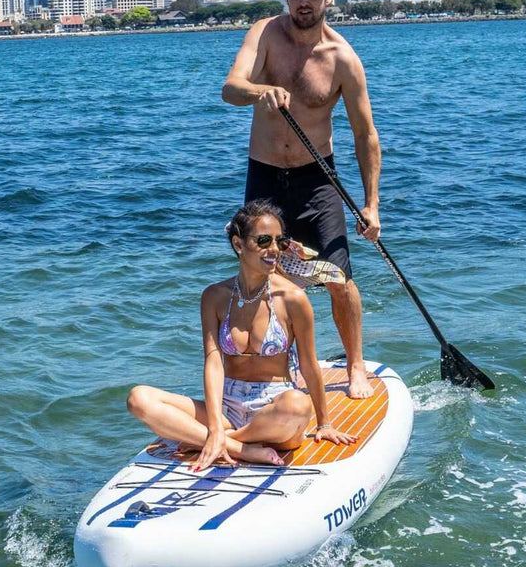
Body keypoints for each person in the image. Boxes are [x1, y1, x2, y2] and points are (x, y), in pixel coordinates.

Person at [222, 0, 381, 400]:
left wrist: (371, 205)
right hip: (265, 177)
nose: (304, 1)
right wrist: (260, 90)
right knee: (265, 278)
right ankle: (279, 369)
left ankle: (355, 367)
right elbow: (231, 88)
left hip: (318, 179)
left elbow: (365, 135)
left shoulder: (343, 59)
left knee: (336, 278)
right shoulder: (265, 34)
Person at [127, 200, 357, 470]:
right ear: (238, 244)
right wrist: (214, 423)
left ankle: (213, 440)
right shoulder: (214, 296)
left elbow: (308, 363)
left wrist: (324, 423)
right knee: (139, 398)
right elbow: (213, 362)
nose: (274, 250)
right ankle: (240, 448)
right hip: (227, 407)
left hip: (275, 411)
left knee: (297, 404)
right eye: (263, 241)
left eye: (279, 242)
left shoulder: (293, 298)